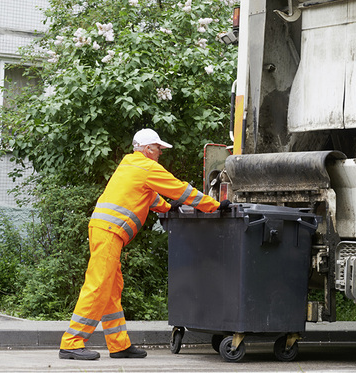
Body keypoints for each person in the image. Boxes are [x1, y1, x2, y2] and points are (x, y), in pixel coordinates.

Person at [59, 128, 230, 360]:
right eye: (158, 149)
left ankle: (119, 345)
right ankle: (72, 342)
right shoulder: (147, 167)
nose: (160, 153)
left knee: (111, 289)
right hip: (109, 232)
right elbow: (180, 189)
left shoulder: (131, 165)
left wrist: (169, 208)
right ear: (148, 149)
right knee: (98, 285)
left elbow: (148, 196)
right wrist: (213, 205)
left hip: (104, 231)